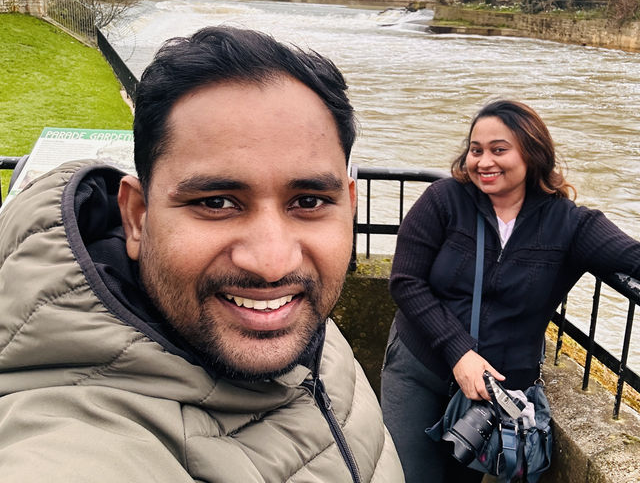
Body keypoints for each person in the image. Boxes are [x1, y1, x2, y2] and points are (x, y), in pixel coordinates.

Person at [0, 26, 403, 482]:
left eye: (308, 202)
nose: (273, 263)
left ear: (348, 205)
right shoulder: (70, 451)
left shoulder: (309, 332)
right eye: (215, 202)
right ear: (136, 217)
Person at [380, 99, 640, 483]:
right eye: (476, 150)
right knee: (405, 475)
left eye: (499, 150)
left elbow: (632, 256)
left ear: (532, 154)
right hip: (420, 366)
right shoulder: (444, 200)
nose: (484, 162)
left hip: (490, 391)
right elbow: (405, 280)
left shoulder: (569, 224)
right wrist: (459, 352)